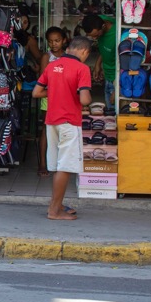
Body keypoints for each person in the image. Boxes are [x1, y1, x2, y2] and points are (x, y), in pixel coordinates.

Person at [31, 35, 92, 221]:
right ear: (84, 51)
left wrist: (58, 89)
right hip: (69, 122)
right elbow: (84, 99)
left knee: (58, 166)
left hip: (52, 122)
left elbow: (37, 93)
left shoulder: (51, 65)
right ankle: (54, 210)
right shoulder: (82, 68)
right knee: (64, 167)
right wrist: (88, 98)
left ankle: (56, 204)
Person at [36, 26, 68, 177]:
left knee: (64, 130)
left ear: (64, 41)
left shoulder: (68, 56)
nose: (54, 44)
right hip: (49, 97)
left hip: (65, 97)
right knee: (46, 130)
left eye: (57, 41)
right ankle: (43, 163)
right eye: (51, 41)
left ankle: (62, 164)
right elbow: (43, 78)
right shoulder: (46, 57)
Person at [80, 13, 116, 110]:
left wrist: (117, 90)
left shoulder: (117, 35)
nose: (94, 38)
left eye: (96, 35)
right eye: (91, 36)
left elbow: (124, 63)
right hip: (108, 76)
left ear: (103, 26)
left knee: (113, 112)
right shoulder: (99, 20)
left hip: (116, 79)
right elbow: (105, 49)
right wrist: (97, 64)